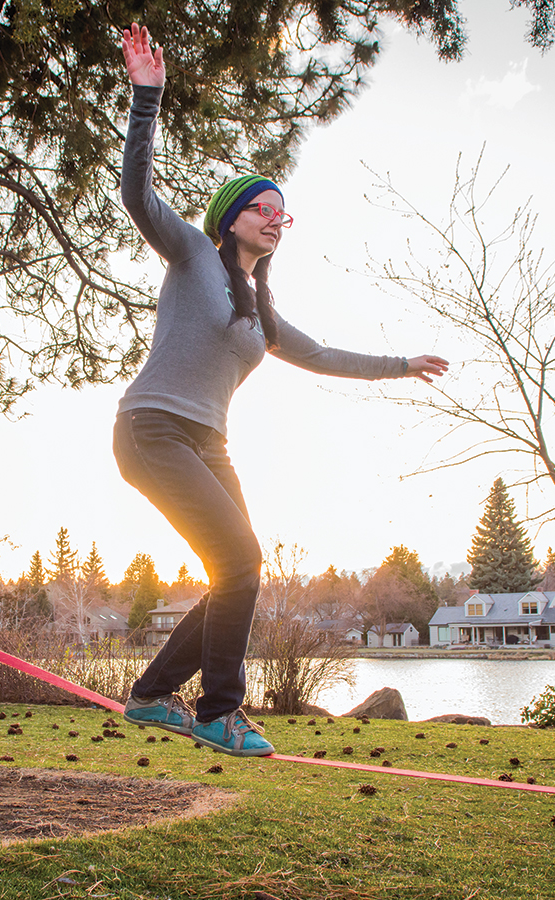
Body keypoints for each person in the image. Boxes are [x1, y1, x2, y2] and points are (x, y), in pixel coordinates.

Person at [114, 23, 448, 757]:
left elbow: (324, 353)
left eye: (283, 212)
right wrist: (147, 98)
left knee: (241, 568)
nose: (276, 220)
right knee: (237, 562)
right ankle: (218, 712)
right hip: (153, 428)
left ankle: (148, 694)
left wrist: (402, 363)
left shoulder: (259, 311)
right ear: (233, 215)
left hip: (208, 441)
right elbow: (137, 193)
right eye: (265, 207)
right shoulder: (192, 253)